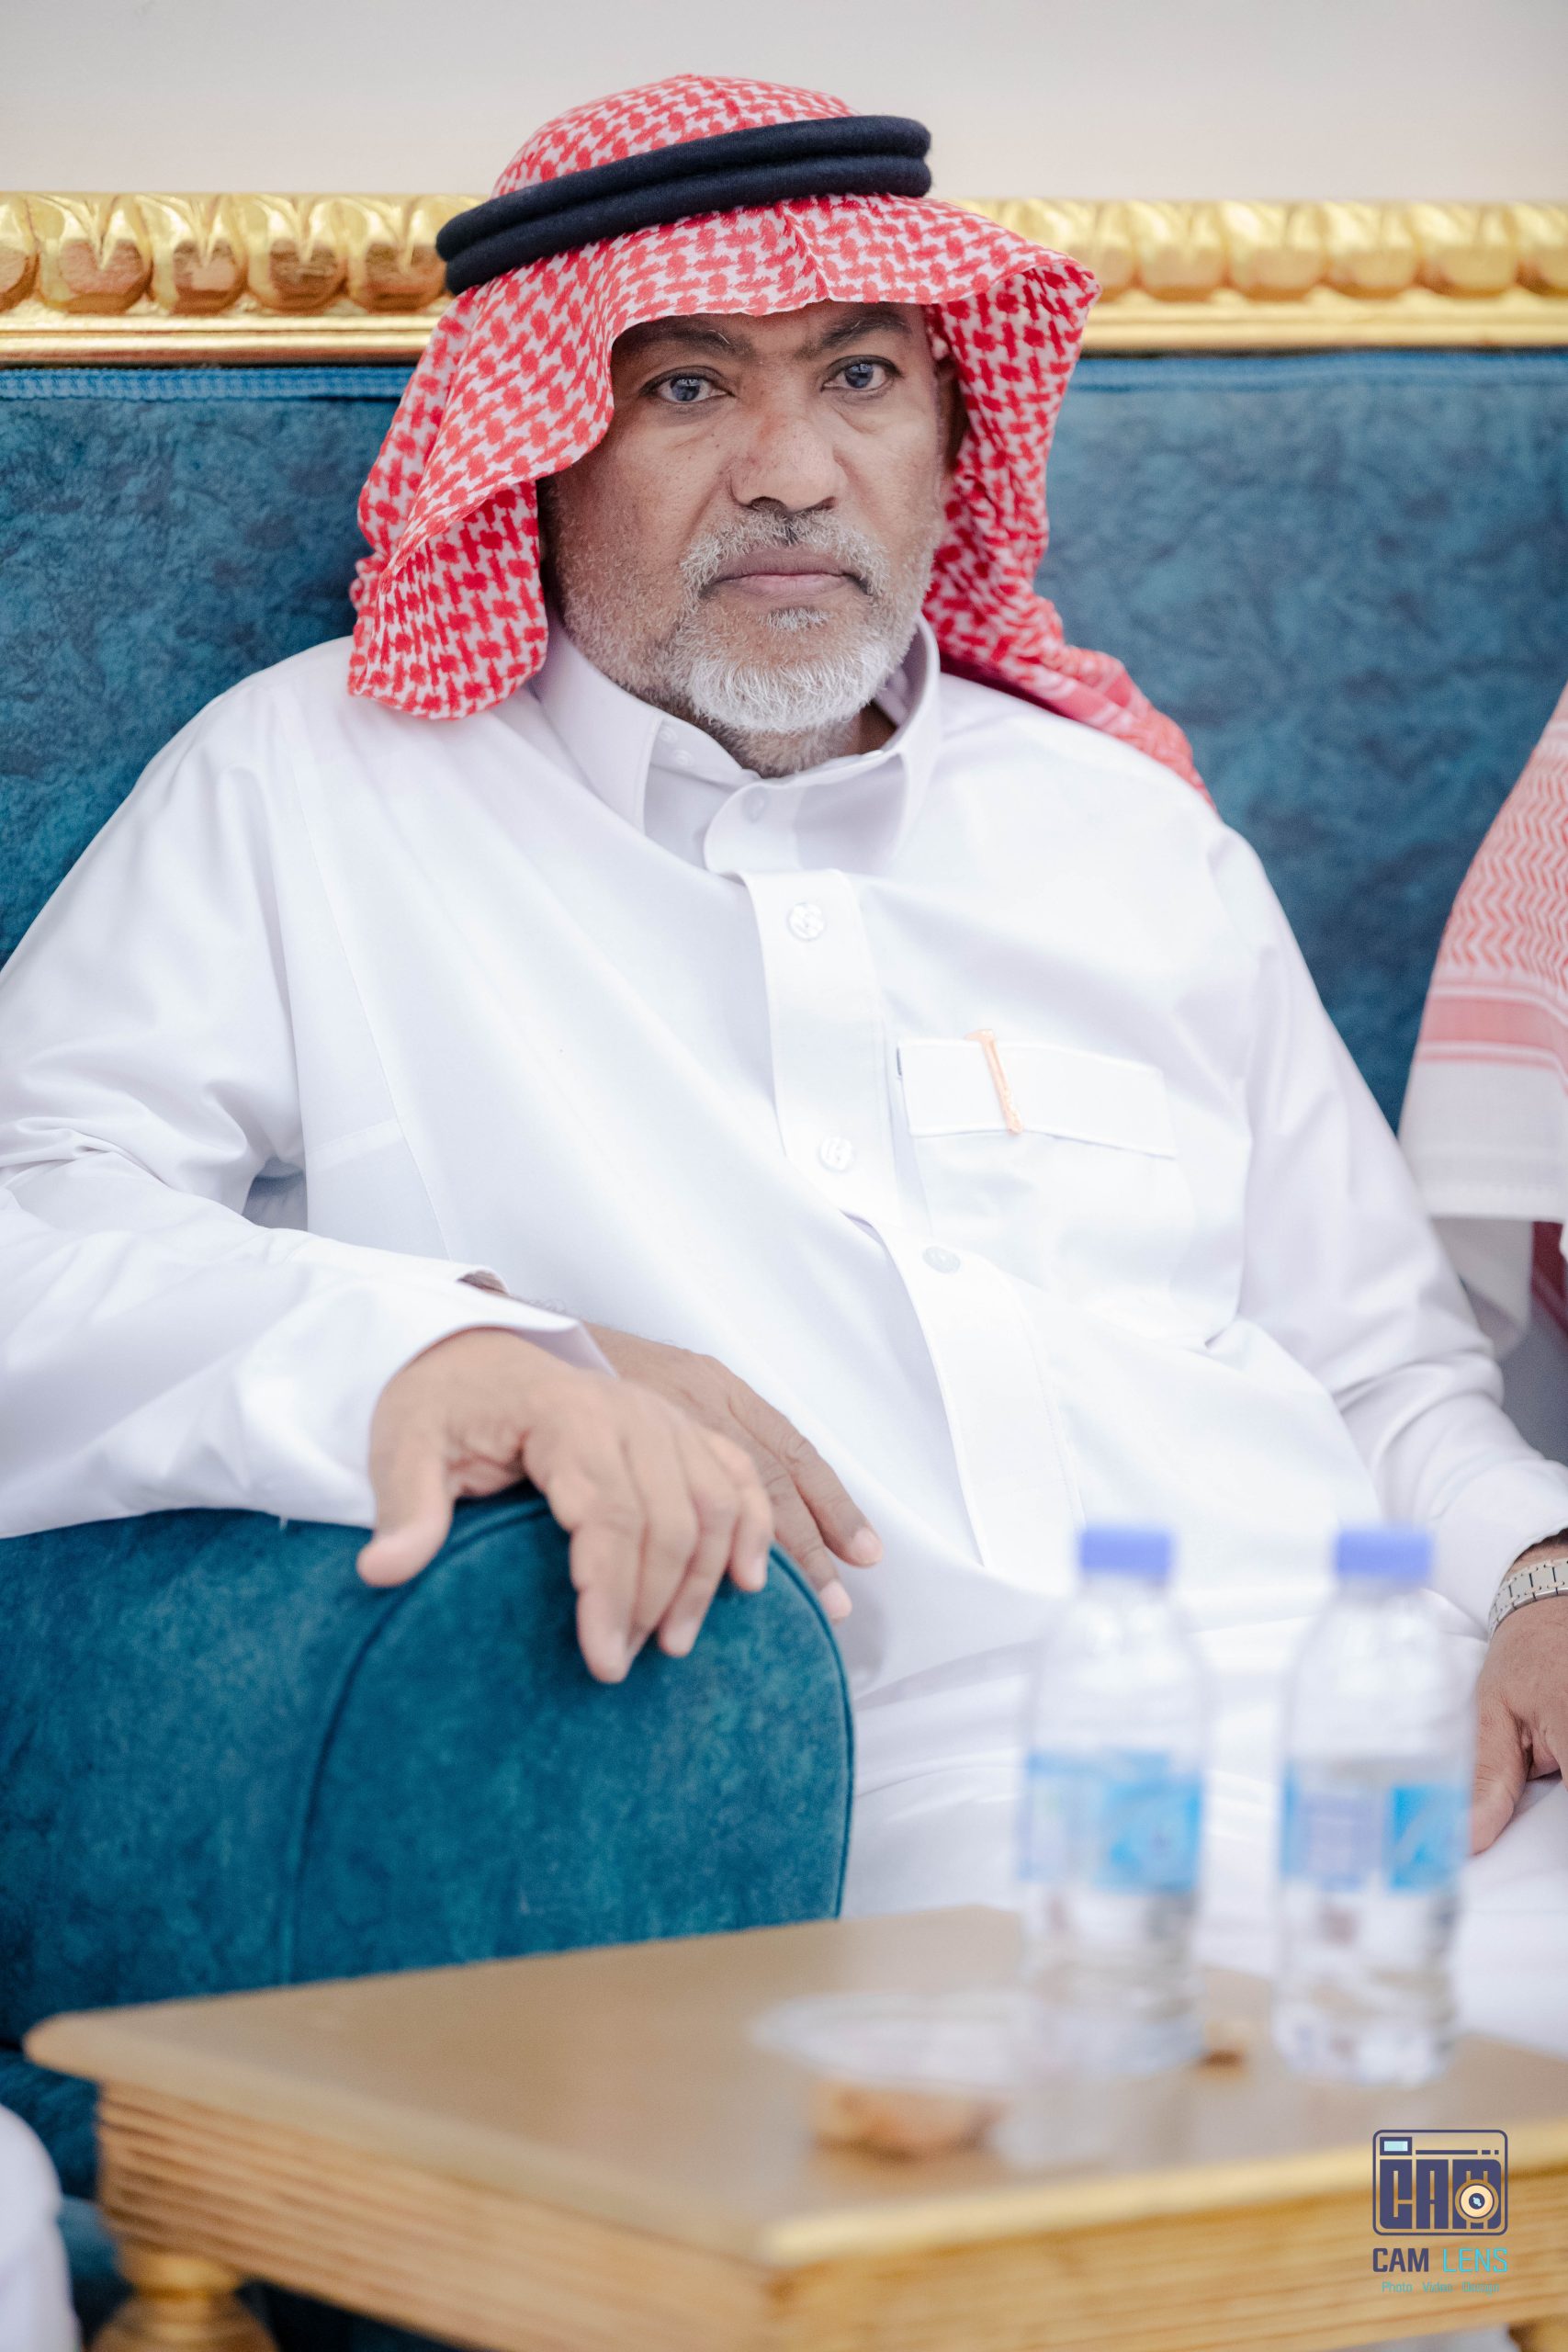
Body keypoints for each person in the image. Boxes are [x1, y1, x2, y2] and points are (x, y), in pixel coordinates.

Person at [2, 75, 1565, 2046]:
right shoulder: (316, 791)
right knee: (1389, 2183)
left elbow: (1381, 1372)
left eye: (859, 378)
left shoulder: (1126, 831)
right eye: (685, 387)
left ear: (949, 430)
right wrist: (457, 1348)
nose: (792, 472)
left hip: (1413, 1761)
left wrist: (1537, 1569)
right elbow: (32, 1226)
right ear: (542, 444)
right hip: (931, 1847)